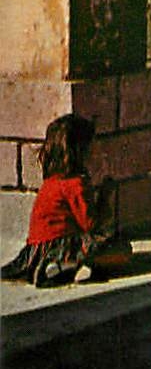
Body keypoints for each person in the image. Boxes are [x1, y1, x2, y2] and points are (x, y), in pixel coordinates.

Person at [1, 113, 123, 287]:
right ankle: (70, 265)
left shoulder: (51, 181)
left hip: (38, 249)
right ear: (82, 150)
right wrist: (105, 197)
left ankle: (59, 268)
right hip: (62, 246)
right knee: (121, 249)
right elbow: (91, 224)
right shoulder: (76, 183)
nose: (97, 150)